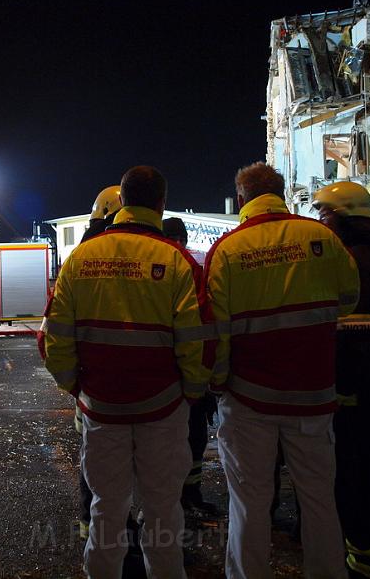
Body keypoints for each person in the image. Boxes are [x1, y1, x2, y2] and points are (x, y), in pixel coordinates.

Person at [40, 166, 216, 578]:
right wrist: (189, 394)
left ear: (121, 201)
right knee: (162, 513)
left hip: (101, 410)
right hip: (164, 410)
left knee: (105, 512)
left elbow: (53, 339)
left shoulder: (81, 258)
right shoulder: (177, 261)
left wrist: (78, 388)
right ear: (161, 204)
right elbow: (198, 342)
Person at [205, 162, 359, 579]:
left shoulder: (229, 250)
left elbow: (217, 332)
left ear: (242, 199)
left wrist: (218, 382)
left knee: (249, 504)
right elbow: (349, 296)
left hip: (249, 398)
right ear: (281, 192)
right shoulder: (321, 237)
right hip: (312, 395)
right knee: (319, 501)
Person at [312, 181, 370, 578]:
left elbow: (355, 333)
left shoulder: (356, 260)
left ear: (345, 217)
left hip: (357, 390)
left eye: (325, 214)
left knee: (357, 481)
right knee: (369, 477)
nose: (320, 221)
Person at [73, 184, 123, 543]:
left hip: (91, 390)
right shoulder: (145, 249)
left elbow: (56, 331)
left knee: (94, 462)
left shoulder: (82, 254)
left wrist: (73, 384)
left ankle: (92, 531)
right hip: (146, 392)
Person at [162, 217, 220, 517]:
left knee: (192, 442)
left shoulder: (183, 266)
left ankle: (190, 496)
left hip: (180, 380)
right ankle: (182, 501)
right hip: (183, 380)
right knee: (181, 444)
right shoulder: (184, 267)